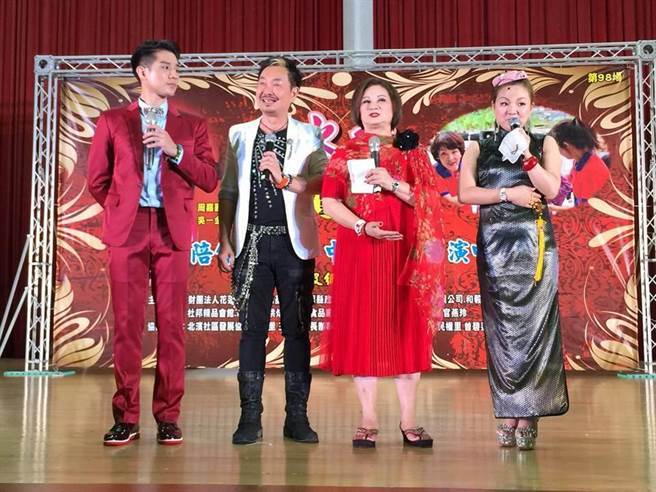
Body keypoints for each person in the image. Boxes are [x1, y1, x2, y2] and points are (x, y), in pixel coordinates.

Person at [88, 39, 219, 446]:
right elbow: (97, 180)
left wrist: (175, 150)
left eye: (177, 67)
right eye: (165, 67)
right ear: (142, 72)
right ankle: (126, 416)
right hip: (127, 230)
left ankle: (168, 416)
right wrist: (121, 208)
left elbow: (209, 178)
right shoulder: (113, 120)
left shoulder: (191, 125)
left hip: (170, 229)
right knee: (127, 326)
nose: (174, 74)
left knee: (172, 326)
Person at [320, 78, 445, 448]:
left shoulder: (413, 151)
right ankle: (368, 418)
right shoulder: (344, 153)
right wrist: (361, 226)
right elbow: (330, 201)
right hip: (361, 250)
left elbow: (429, 200)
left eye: (381, 100)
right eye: (366, 101)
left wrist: (391, 183)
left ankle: (409, 420)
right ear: (358, 110)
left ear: (394, 108)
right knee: (365, 330)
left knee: (406, 330)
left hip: (405, 251)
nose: (373, 107)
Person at [218, 57, 327, 445]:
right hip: (250, 245)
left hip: (293, 245)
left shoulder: (310, 136)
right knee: (251, 332)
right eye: (262, 82)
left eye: (277, 83)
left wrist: (286, 179)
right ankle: (250, 417)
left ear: (294, 92)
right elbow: (228, 190)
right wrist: (225, 239)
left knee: (296, 331)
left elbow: (322, 182)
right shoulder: (239, 134)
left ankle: (297, 417)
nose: (267, 89)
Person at [458, 70, 569, 450]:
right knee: (503, 330)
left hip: (536, 248)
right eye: (504, 103)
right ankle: (507, 409)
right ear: (493, 108)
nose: (512, 109)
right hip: (495, 247)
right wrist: (508, 194)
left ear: (531, 107)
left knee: (535, 329)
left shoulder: (544, 143)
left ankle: (529, 411)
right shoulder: (477, 146)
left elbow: (551, 189)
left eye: (520, 103)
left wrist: (527, 158)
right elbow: (466, 193)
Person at [550, 118, 610, 204]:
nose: (558, 152)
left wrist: (554, 208)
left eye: (557, 148)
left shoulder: (592, 170)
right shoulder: (579, 161)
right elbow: (571, 178)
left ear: (566, 146)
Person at [430, 131, 465, 204]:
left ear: (461, 152)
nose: (450, 158)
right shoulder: (433, 173)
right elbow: (450, 201)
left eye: (454, 152)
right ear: (437, 156)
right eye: (444, 154)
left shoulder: (469, 167)